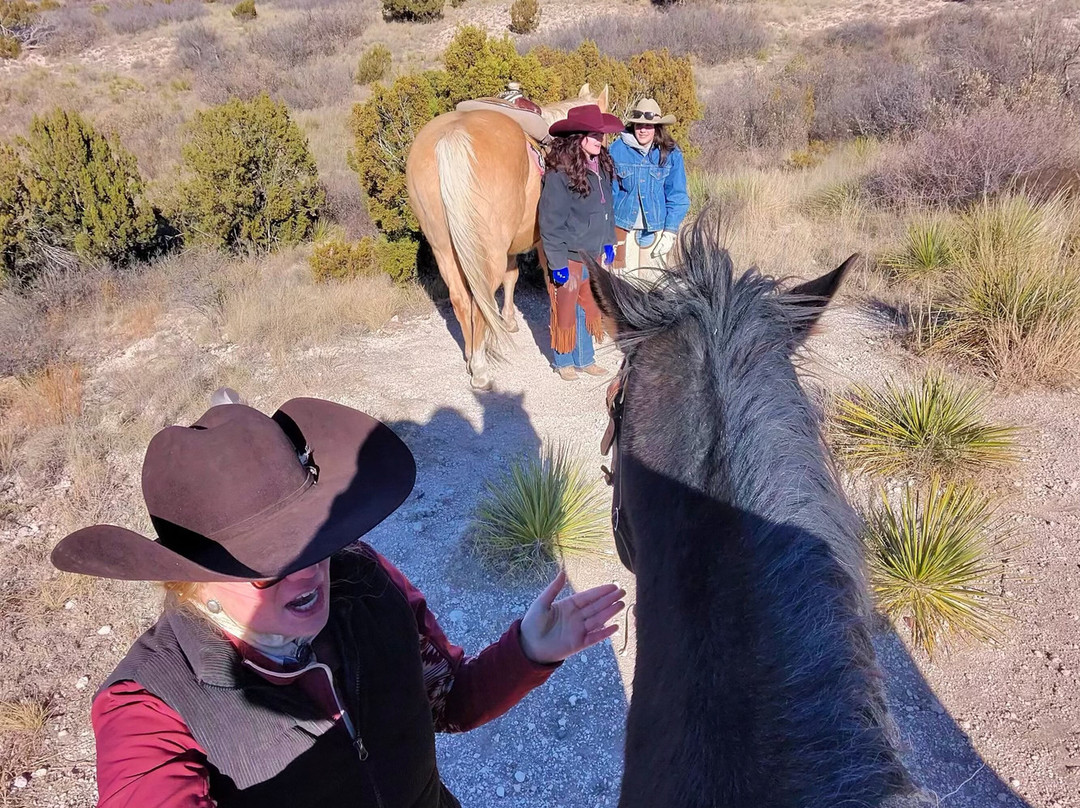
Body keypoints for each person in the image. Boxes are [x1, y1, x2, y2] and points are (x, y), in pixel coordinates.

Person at [51, 392, 626, 807]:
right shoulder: (148, 704)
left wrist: (528, 650)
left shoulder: (365, 578)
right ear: (193, 580)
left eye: (316, 540)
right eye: (268, 565)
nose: (309, 572)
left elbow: (446, 701)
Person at [538, 104, 624, 382]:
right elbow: (550, 222)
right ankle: (564, 360)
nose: (600, 139)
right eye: (594, 135)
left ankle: (586, 359)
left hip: (594, 254)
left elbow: (607, 209)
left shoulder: (601, 166)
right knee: (565, 307)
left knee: (590, 306)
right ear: (578, 137)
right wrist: (557, 263)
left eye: (601, 134)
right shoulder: (559, 173)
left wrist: (609, 241)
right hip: (569, 254)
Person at [608, 98, 690, 286]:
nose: (643, 130)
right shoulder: (617, 149)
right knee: (624, 288)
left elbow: (677, 195)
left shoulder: (671, 153)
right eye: (639, 125)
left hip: (655, 230)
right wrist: (606, 230)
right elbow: (610, 193)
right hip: (622, 230)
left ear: (657, 128)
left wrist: (670, 232)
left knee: (653, 287)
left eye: (648, 126)